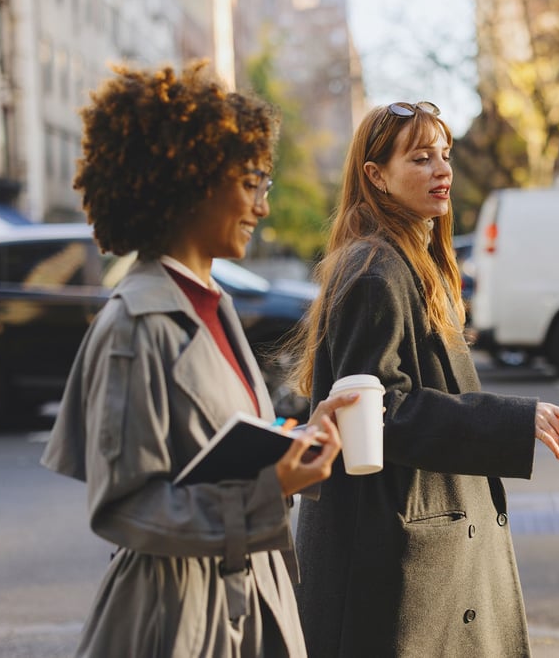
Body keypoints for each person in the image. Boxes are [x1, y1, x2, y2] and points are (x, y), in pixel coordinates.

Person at [40, 62, 357, 658]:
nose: (263, 206)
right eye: (253, 182)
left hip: (241, 603)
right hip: (179, 621)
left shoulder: (212, 303)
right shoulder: (136, 323)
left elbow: (215, 450)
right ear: (194, 180)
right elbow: (125, 507)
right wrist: (271, 487)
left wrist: (299, 438)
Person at [288, 101, 559, 657]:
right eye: (422, 158)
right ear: (375, 176)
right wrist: (515, 418)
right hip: (397, 559)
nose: (442, 171)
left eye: (445, 156)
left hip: (423, 547)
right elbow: (379, 410)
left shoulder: (409, 259)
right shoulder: (374, 272)